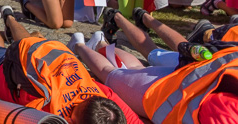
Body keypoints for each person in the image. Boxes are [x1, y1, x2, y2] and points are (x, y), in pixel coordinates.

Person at [76, 10, 238, 122]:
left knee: (150, 57)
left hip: (204, 67)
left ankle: (105, 34)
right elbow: (217, 108)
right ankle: (81, 45)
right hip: (178, 91)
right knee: (110, 74)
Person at [0, 8, 131, 123]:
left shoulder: (100, 97)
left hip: (46, 52)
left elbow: (132, 119)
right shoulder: (49, 113)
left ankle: (9, 17)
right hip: (9, 71)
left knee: (29, 42)